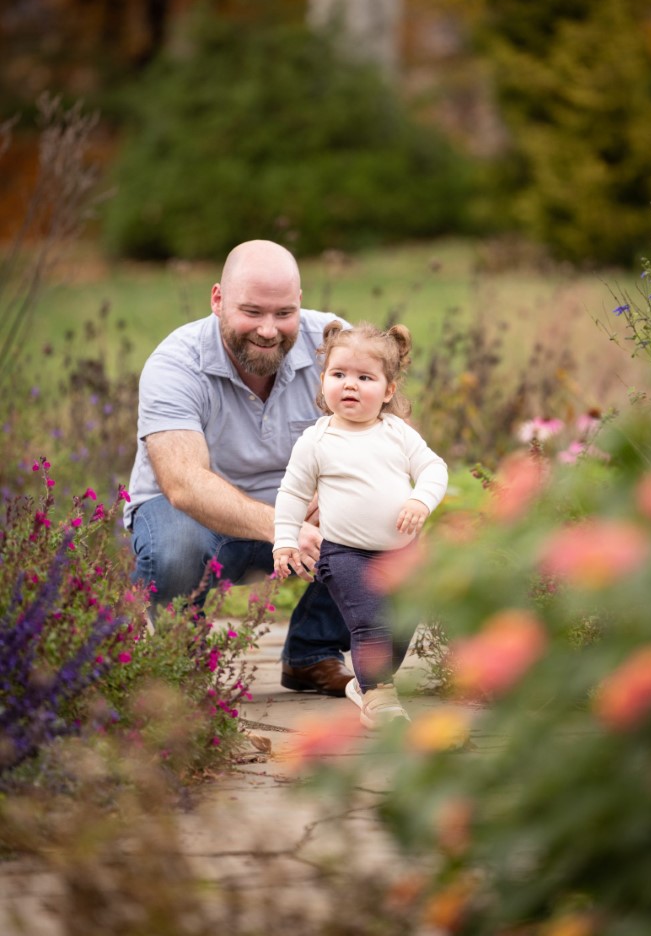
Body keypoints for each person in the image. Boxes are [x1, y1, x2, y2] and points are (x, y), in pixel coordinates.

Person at [124, 239, 354, 697]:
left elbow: (384, 439)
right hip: (195, 518)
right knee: (176, 547)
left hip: (299, 517)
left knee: (388, 521)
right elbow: (184, 484)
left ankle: (314, 654)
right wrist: (283, 525)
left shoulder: (335, 345)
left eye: (283, 313)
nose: (269, 330)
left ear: (300, 303)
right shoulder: (176, 363)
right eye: (252, 311)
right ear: (217, 300)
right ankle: (178, 668)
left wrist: (341, 493)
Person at [273, 320, 448, 728]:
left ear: (388, 390)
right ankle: (378, 695)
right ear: (323, 382)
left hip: (402, 550)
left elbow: (433, 468)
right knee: (370, 619)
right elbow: (293, 494)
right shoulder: (316, 441)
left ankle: (371, 682)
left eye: (364, 377)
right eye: (339, 375)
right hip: (346, 552)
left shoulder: (397, 434)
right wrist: (285, 540)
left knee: (402, 622)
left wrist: (421, 499)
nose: (349, 385)